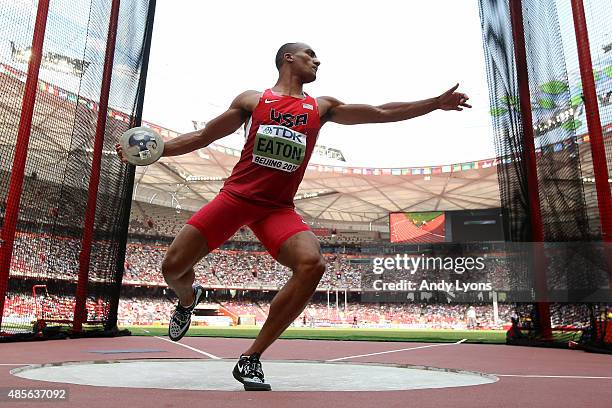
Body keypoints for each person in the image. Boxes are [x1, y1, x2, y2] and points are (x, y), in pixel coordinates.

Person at [115, 42, 471, 391]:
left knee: (312, 263)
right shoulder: (253, 100)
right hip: (236, 197)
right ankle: (188, 298)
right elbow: (205, 136)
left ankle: (252, 357)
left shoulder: (322, 107)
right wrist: (155, 151)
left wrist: (433, 104)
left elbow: (379, 112)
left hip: (277, 209)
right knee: (171, 268)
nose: (318, 60)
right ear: (289, 58)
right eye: (310, 55)